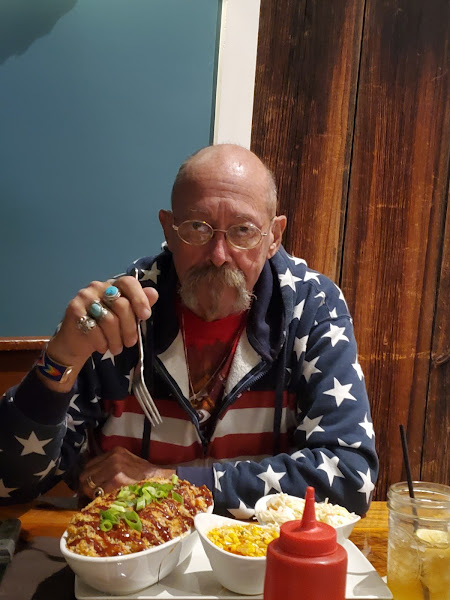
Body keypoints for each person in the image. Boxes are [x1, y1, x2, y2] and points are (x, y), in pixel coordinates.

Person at [0, 144, 378, 516]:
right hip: (126, 547)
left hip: (260, 553)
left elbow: (348, 475)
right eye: (198, 227)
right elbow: (9, 484)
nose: (219, 255)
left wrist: (171, 483)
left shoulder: (310, 308)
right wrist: (60, 358)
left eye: (243, 230)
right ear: (169, 228)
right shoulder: (119, 313)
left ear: (274, 237)